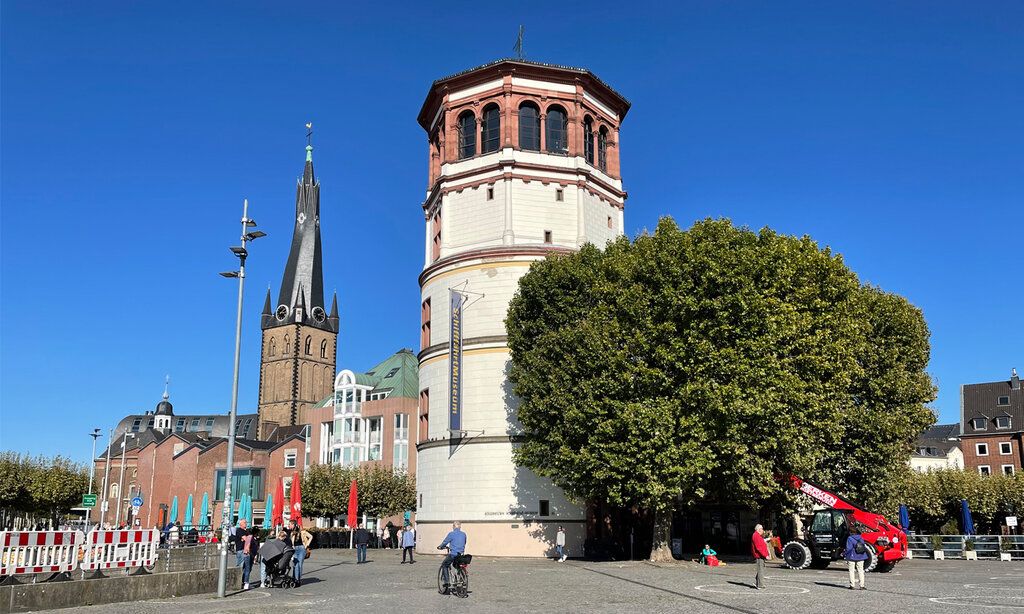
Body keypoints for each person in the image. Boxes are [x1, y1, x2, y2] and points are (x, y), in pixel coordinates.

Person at [437, 521, 467, 592]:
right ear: (460, 527)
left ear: (453, 526)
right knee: (457, 565)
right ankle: (461, 578)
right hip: (461, 554)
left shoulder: (451, 534)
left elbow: (445, 542)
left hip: (453, 554)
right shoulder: (464, 534)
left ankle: (447, 582)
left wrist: (440, 546)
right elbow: (464, 542)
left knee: (444, 565)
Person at [844, 526, 869, 590]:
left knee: (851, 571)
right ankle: (862, 585)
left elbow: (848, 548)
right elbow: (863, 545)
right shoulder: (860, 537)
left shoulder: (850, 538)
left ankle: (852, 585)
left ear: (850, 532)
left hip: (852, 556)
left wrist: (844, 553)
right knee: (861, 571)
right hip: (861, 556)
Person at [290, 519, 312, 586]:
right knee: (295, 564)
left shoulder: (303, 532)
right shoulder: (292, 533)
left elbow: (311, 536)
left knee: (299, 564)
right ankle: (294, 578)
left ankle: (297, 580)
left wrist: (307, 545)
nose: (289, 526)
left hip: (302, 549)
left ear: (294, 525)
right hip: (295, 549)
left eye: (290, 524)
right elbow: (291, 542)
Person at [751, 524, 769, 590]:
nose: (763, 530)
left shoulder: (757, 535)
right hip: (759, 555)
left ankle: (758, 582)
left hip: (761, 555)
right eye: (762, 529)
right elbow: (758, 547)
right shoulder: (756, 535)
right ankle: (760, 585)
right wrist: (765, 555)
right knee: (760, 570)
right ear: (759, 529)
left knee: (761, 569)